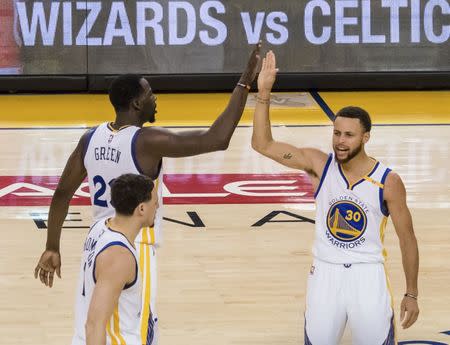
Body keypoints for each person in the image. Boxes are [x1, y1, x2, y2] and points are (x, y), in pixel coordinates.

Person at [34, 43, 261, 345]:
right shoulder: (146, 141)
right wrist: (245, 82)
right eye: (150, 94)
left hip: (98, 237)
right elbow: (217, 138)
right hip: (133, 241)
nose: (155, 99)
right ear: (137, 104)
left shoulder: (90, 138)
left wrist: (52, 246)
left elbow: (62, 193)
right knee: (132, 330)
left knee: (94, 320)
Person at [251, 51, 419, 344]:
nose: (340, 141)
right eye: (337, 133)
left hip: (368, 275)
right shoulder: (320, 165)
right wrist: (263, 94)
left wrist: (412, 293)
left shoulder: (388, 181)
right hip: (325, 273)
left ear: (365, 137)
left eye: (349, 135)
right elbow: (263, 144)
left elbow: (408, 239)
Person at [70, 173, 157, 345]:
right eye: (154, 202)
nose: (158, 205)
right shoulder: (119, 256)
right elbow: (95, 325)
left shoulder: (100, 226)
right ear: (141, 209)